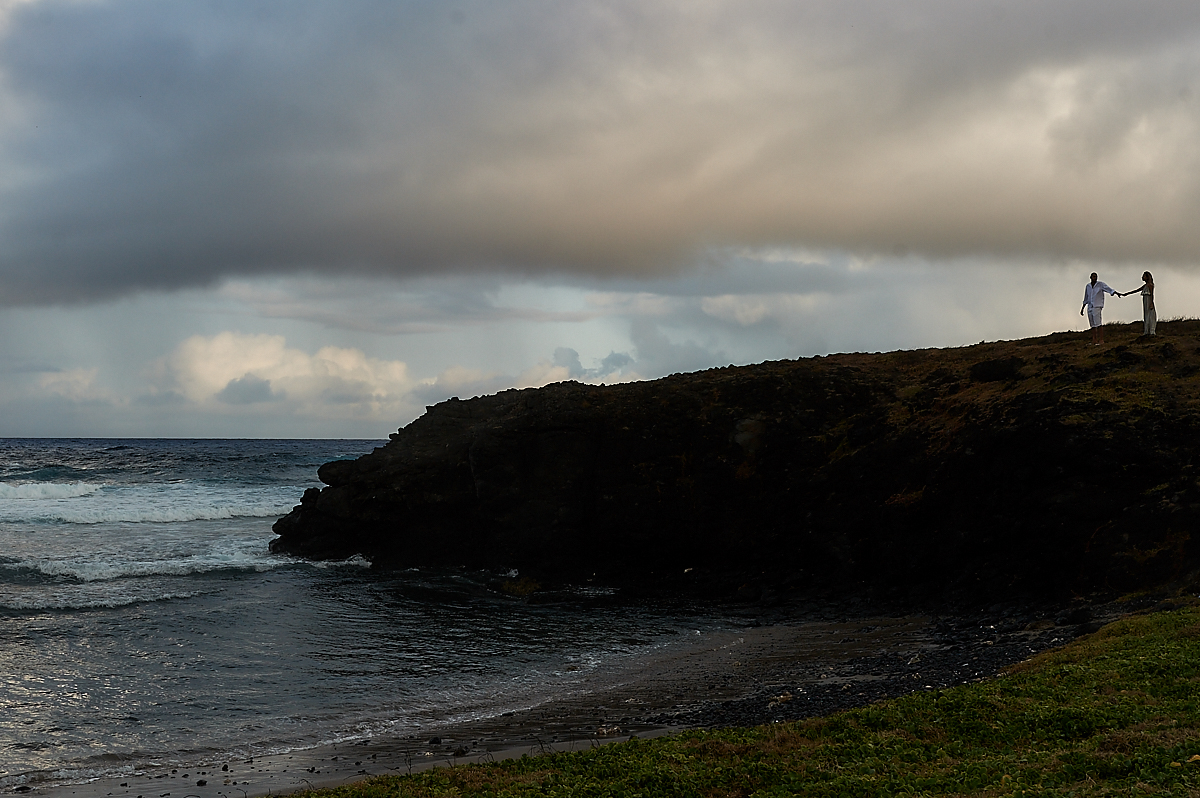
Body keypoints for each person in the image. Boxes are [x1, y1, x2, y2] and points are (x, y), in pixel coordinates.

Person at [1081, 272, 1118, 345]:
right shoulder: (1088, 286)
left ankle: (1101, 340)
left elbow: (1109, 289)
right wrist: (1082, 308)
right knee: (1092, 324)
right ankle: (1094, 339)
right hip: (1090, 306)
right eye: (1093, 276)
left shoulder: (1100, 284)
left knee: (1098, 323)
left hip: (1097, 306)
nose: (1095, 278)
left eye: (1096, 276)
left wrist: (1115, 293)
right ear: (1090, 277)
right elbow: (1086, 297)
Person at [1118, 271, 1156, 336]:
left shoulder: (1150, 285)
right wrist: (1126, 294)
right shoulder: (1145, 286)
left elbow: (1152, 295)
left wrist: (1151, 303)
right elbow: (1136, 290)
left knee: (1150, 315)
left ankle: (1151, 331)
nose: (1142, 277)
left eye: (1144, 276)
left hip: (1148, 301)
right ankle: (1147, 331)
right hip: (1145, 301)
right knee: (1146, 315)